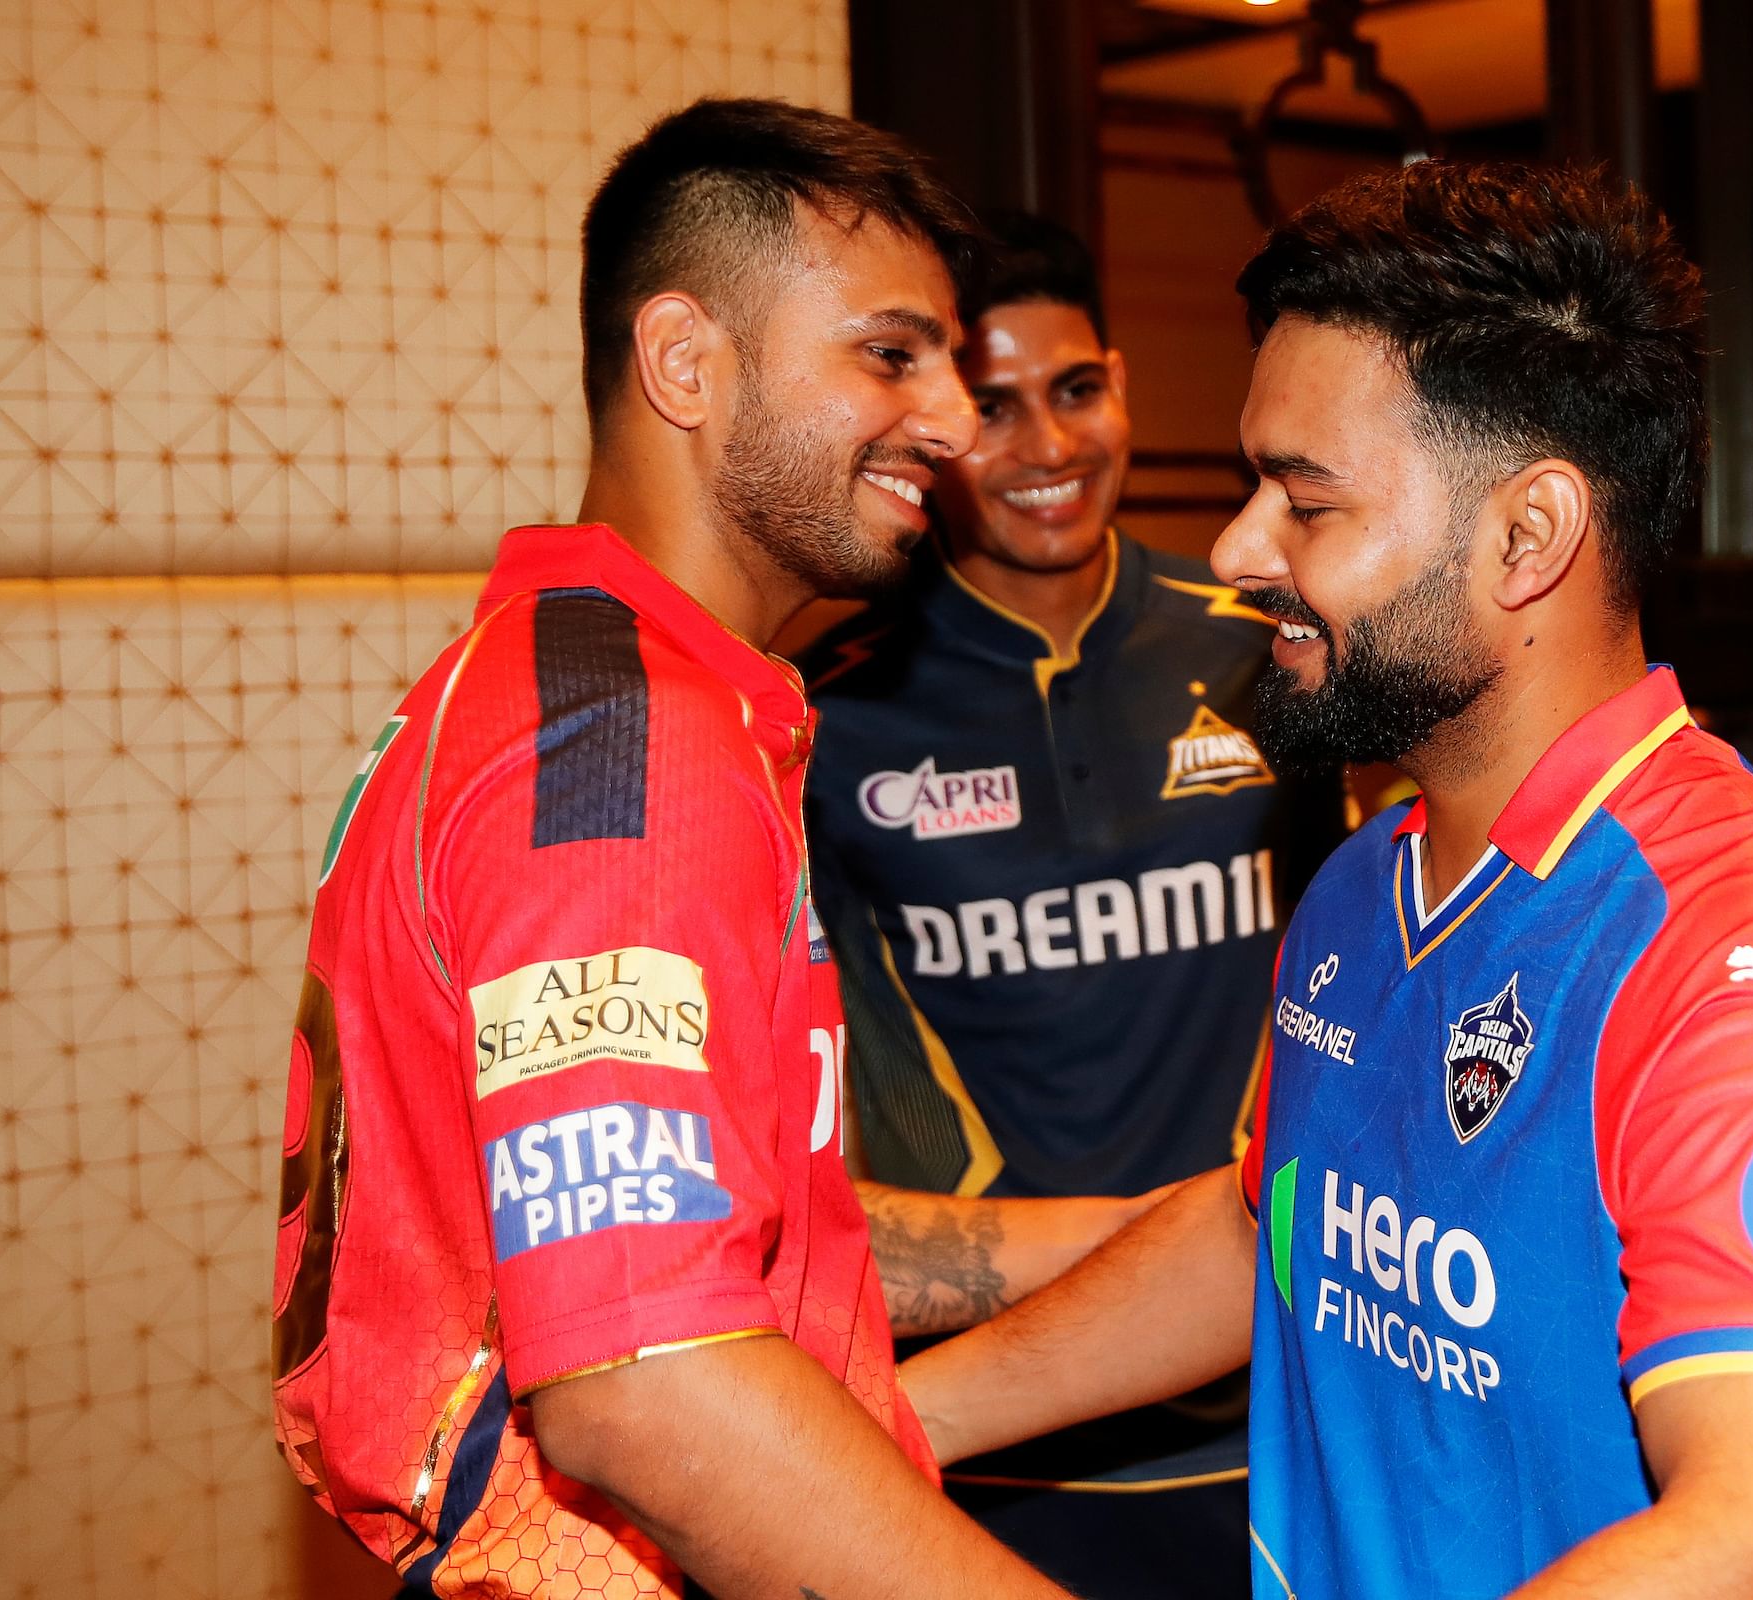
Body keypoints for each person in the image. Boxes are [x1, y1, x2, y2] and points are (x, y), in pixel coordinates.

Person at [901, 162, 1753, 1600]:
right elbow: (1275, 1228)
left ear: (1528, 534)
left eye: (1306, 501)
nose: (1235, 550)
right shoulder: (1365, 885)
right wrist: (900, 1423)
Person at [270, 98, 1132, 1600]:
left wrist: (1152, 1239)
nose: (952, 420)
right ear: (683, 361)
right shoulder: (623, 744)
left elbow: (720, 1235)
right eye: (892, 355)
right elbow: (645, 1384)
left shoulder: (565, 683)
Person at [798, 213, 1343, 1597]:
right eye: (992, 408)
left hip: (1276, 1401)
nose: (1047, 445)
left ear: (1123, 384)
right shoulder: (827, 712)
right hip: (981, 1431)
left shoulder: (1274, 647)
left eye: (1077, 389)